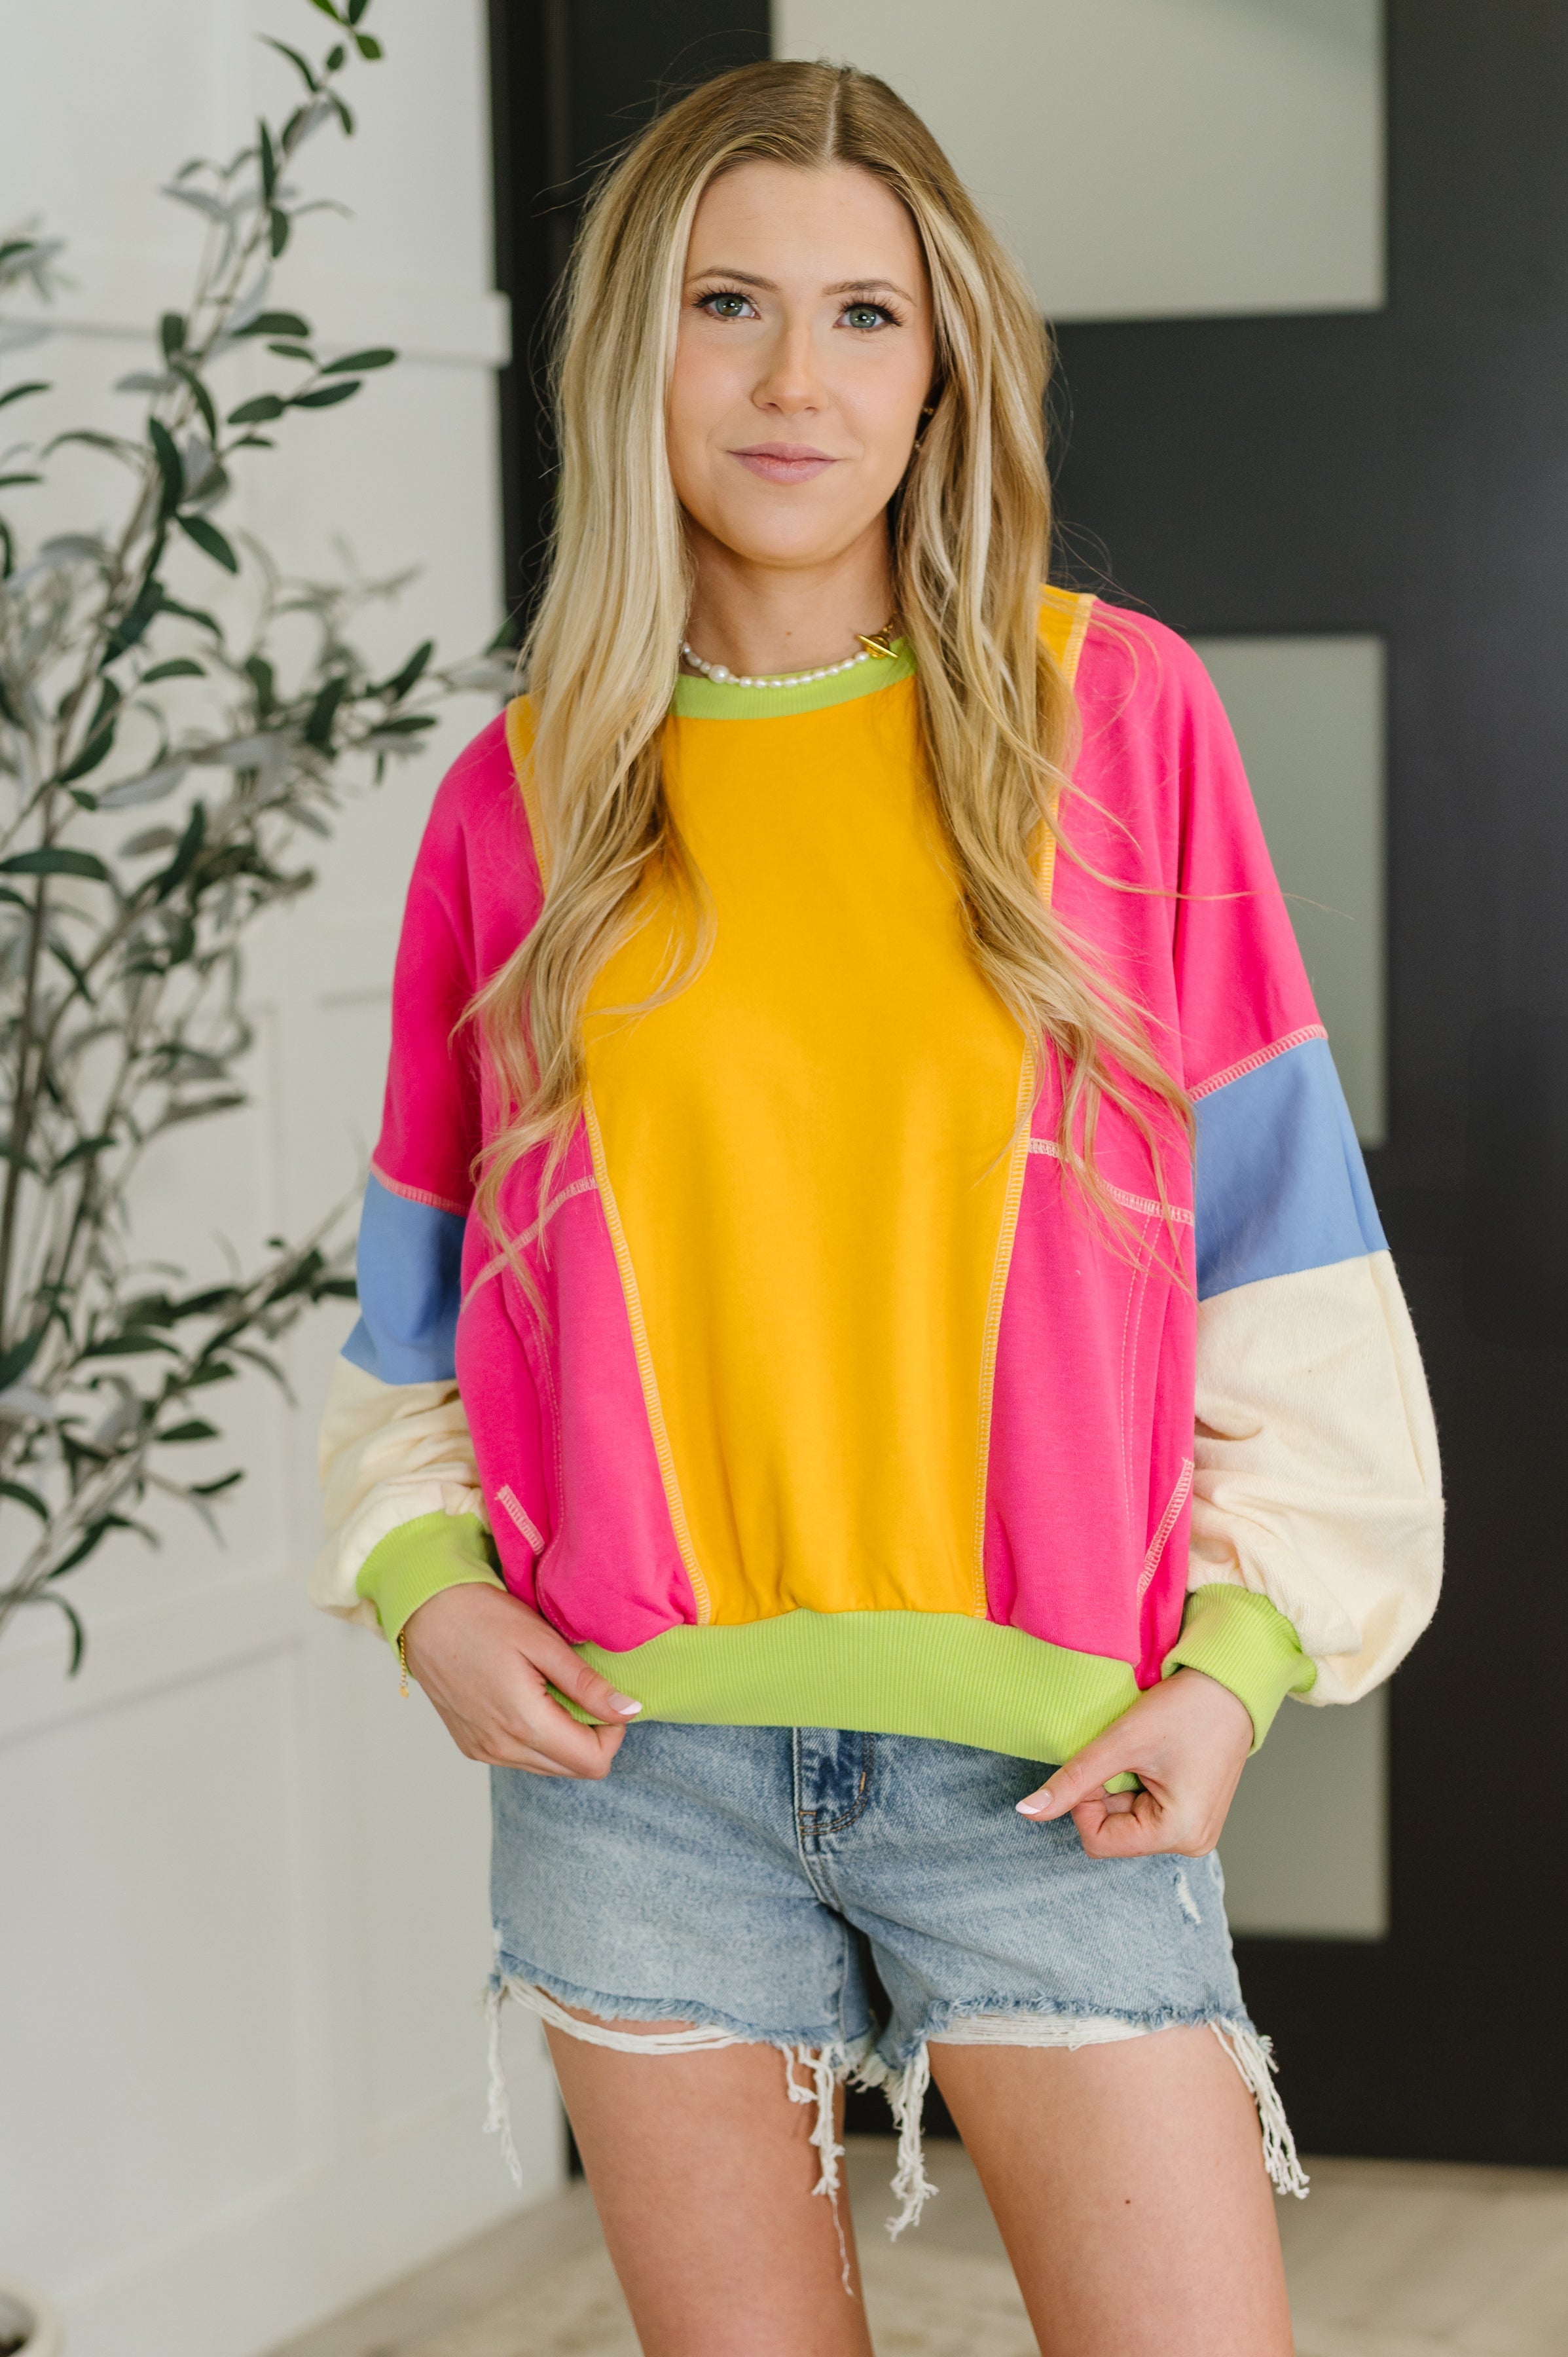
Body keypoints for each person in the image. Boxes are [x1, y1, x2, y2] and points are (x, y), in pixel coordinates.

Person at [312, 59, 1442, 2357]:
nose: (792, 382)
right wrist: (426, 1595)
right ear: (635, 347)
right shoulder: (520, 802)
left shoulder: (1104, 717)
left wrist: (1235, 1671)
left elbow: (1284, 1252)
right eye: (727, 304)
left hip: (1050, 1772)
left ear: (942, 377)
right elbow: (416, 1320)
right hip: (631, 1777)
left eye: (863, 318)